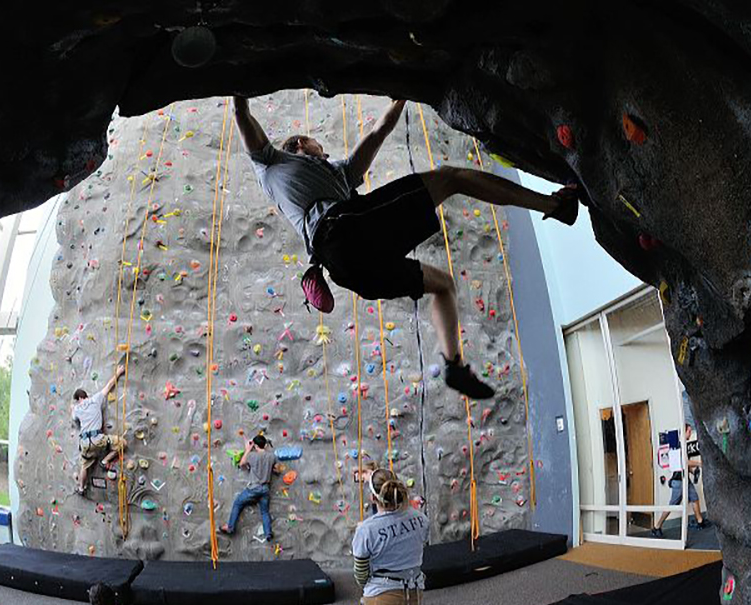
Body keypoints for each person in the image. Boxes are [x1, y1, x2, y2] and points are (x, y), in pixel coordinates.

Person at [234, 95, 578, 400]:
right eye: (317, 145)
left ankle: (454, 365)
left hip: (351, 272)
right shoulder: (272, 163)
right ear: (300, 145)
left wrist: (400, 99)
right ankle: (552, 206)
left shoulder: (340, 174)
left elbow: (377, 133)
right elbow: (244, 116)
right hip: (344, 230)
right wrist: (239, 95)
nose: (324, 150)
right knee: (451, 177)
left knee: (442, 284)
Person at [352, 468, 429, 605]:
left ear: (372, 497)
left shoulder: (366, 529)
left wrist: (365, 589)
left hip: (381, 594)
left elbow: (360, 572)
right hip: (413, 592)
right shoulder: (421, 519)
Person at [72, 365, 127, 494]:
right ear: (85, 396)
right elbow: (109, 385)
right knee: (122, 443)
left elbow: (74, 419)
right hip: (99, 439)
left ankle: (81, 489)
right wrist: (118, 372)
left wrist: (73, 408)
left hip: (85, 443)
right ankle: (105, 460)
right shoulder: (95, 399)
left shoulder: (77, 409)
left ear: (79, 399)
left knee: (84, 466)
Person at [651, 423, 710, 537]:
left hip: (685, 479)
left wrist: (693, 471)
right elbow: (685, 463)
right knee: (672, 505)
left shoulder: (682, 445)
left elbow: (683, 465)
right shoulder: (678, 446)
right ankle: (656, 527)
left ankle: (700, 521)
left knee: (694, 498)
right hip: (678, 482)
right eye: (689, 431)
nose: (690, 433)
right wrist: (700, 464)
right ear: (685, 431)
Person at [220, 433, 276, 542]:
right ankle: (268, 533)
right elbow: (274, 467)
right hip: (265, 489)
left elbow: (241, 464)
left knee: (237, 503)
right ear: (265, 445)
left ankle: (230, 527)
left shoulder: (252, 456)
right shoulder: (272, 456)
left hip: (253, 488)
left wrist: (248, 449)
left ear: (255, 446)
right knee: (264, 512)